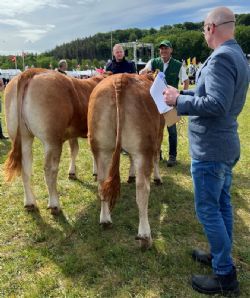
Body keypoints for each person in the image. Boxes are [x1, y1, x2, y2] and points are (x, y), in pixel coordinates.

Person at [163, 6, 249, 296]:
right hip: (223, 145)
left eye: (203, 28)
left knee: (209, 211)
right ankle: (219, 256)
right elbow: (209, 96)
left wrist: (180, 101)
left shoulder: (222, 57)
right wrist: (181, 96)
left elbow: (216, 104)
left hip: (211, 149)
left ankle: (225, 275)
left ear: (211, 28)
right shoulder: (235, 54)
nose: (203, 33)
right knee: (222, 206)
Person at [140, 40, 189, 166]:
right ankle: (158, 153)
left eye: (166, 48)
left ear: (171, 50)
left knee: (171, 130)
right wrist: (144, 72)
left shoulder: (178, 64)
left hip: (171, 102)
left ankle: (172, 156)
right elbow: (143, 72)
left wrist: (182, 97)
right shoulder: (153, 62)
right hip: (156, 101)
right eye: (161, 49)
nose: (163, 51)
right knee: (155, 129)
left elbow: (186, 81)